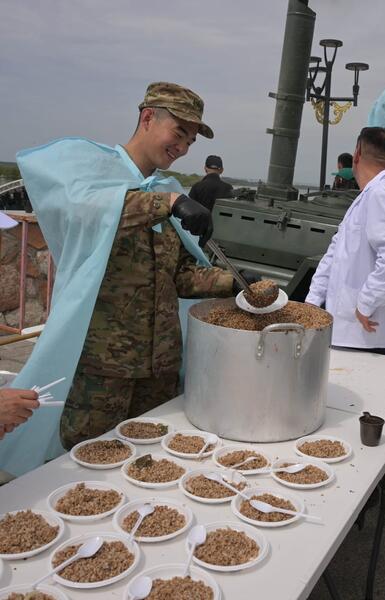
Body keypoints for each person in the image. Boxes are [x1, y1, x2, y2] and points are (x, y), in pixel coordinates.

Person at [2, 82, 244, 475]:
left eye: (190, 141)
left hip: (159, 371)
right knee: (89, 467)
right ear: (148, 118)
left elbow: (179, 275)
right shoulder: (94, 175)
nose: (183, 147)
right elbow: (87, 212)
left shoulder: (167, 189)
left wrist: (233, 283)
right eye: (179, 132)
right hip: (103, 369)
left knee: (154, 467)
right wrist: (168, 204)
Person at [306, 127, 385, 355]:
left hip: (364, 336)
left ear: (356, 153)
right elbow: (335, 252)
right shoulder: (369, 195)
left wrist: (366, 303)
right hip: (350, 332)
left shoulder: (382, 193)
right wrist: (313, 302)